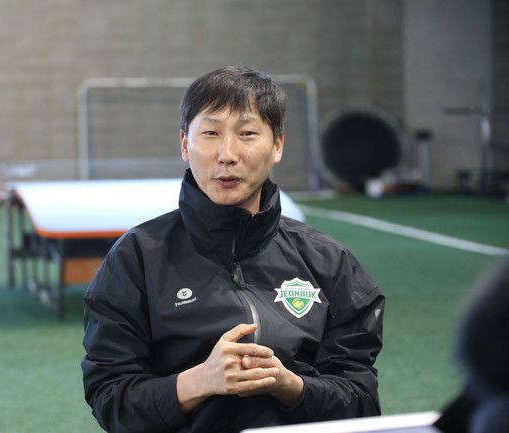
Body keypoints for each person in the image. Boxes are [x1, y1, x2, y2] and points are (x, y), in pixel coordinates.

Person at [81, 66, 385, 433]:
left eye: (247, 133)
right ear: (184, 144)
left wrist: (290, 385)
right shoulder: (135, 258)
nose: (227, 154)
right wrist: (199, 381)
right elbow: (110, 399)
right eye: (210, 133)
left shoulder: (329, 262)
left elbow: (362, 401)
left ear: (277, 145)